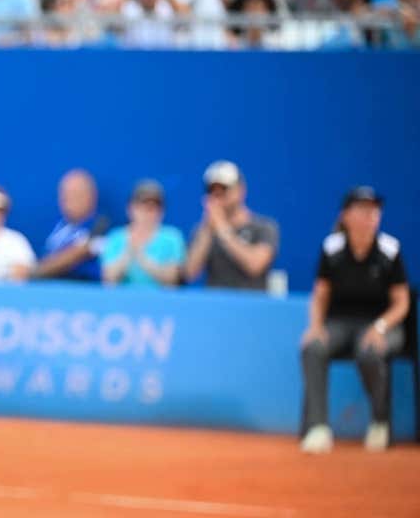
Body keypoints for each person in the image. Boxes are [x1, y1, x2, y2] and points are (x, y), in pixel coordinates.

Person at [300, 186, 410, 454]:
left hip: (383, 324)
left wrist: (380, 327)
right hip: (340, 324)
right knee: (312, 348)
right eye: (362, 210)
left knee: (369, 351)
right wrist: (315, 326)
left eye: (374, 211)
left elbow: (402, 303)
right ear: (346, 215)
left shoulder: (390, 250)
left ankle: (380, 422)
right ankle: (317, 427)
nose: (369, 216)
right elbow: (319, 296)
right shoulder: (331, 248)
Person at [184, 161, 280, 289]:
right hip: (215, 305)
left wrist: (223, 229)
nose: (218, 196)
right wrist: (207, 230)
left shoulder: (264, 227)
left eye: (224, 190)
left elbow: (255, 266)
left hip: (252, 305)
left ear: (241, 190)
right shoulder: (202, 230)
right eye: (212, 191)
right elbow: (189, 273)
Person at [101, 179, 186, 288]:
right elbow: (108, 279)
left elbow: (172, 278)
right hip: (122, 302)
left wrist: (143, 259)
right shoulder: (115, 237)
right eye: (141, 207)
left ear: (162, 211)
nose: (146, 213)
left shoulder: (172, 237)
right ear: (130, 209)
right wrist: (129, 254)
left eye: (152, 208)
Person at [37, 169, 109, 281]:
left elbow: (83, 252)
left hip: (83, 291)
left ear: (91, 196)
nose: (68, 200)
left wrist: (37, 270)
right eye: (65, 194)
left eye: (76, 194)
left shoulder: (100, 226)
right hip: (50, 289)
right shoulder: (58, 227)